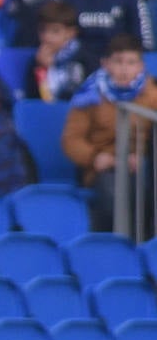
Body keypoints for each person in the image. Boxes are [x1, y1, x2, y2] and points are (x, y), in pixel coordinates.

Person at [63, 33, 157, 230]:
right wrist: (95, 157)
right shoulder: (89, 95)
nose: (124, 69)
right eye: (118, 62)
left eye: (131, 63)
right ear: (105, 64)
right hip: (103, 167)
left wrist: (143, 156)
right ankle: (117, 248)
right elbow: (71, 140)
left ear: (140, 66)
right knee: (113, 196)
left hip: (141, 166)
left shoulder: (151, 95)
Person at [27, 0, 93, 102]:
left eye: (55, 31)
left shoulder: (84, 58)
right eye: (43, 30)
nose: (47, 37)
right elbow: (41, 99)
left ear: (71, 32)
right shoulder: (36, 61)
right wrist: (43, 70)